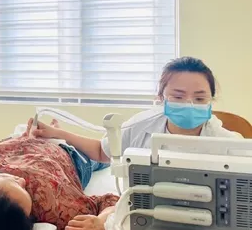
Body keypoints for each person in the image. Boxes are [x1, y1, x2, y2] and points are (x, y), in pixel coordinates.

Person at [27, 57, 239, 164]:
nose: (189, 104)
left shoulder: (227, 143)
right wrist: (58, 133)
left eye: (199, 98)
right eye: (178, 96)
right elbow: (103, 152)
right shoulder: (141, 126)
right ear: (161, 97)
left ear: (211, 100)